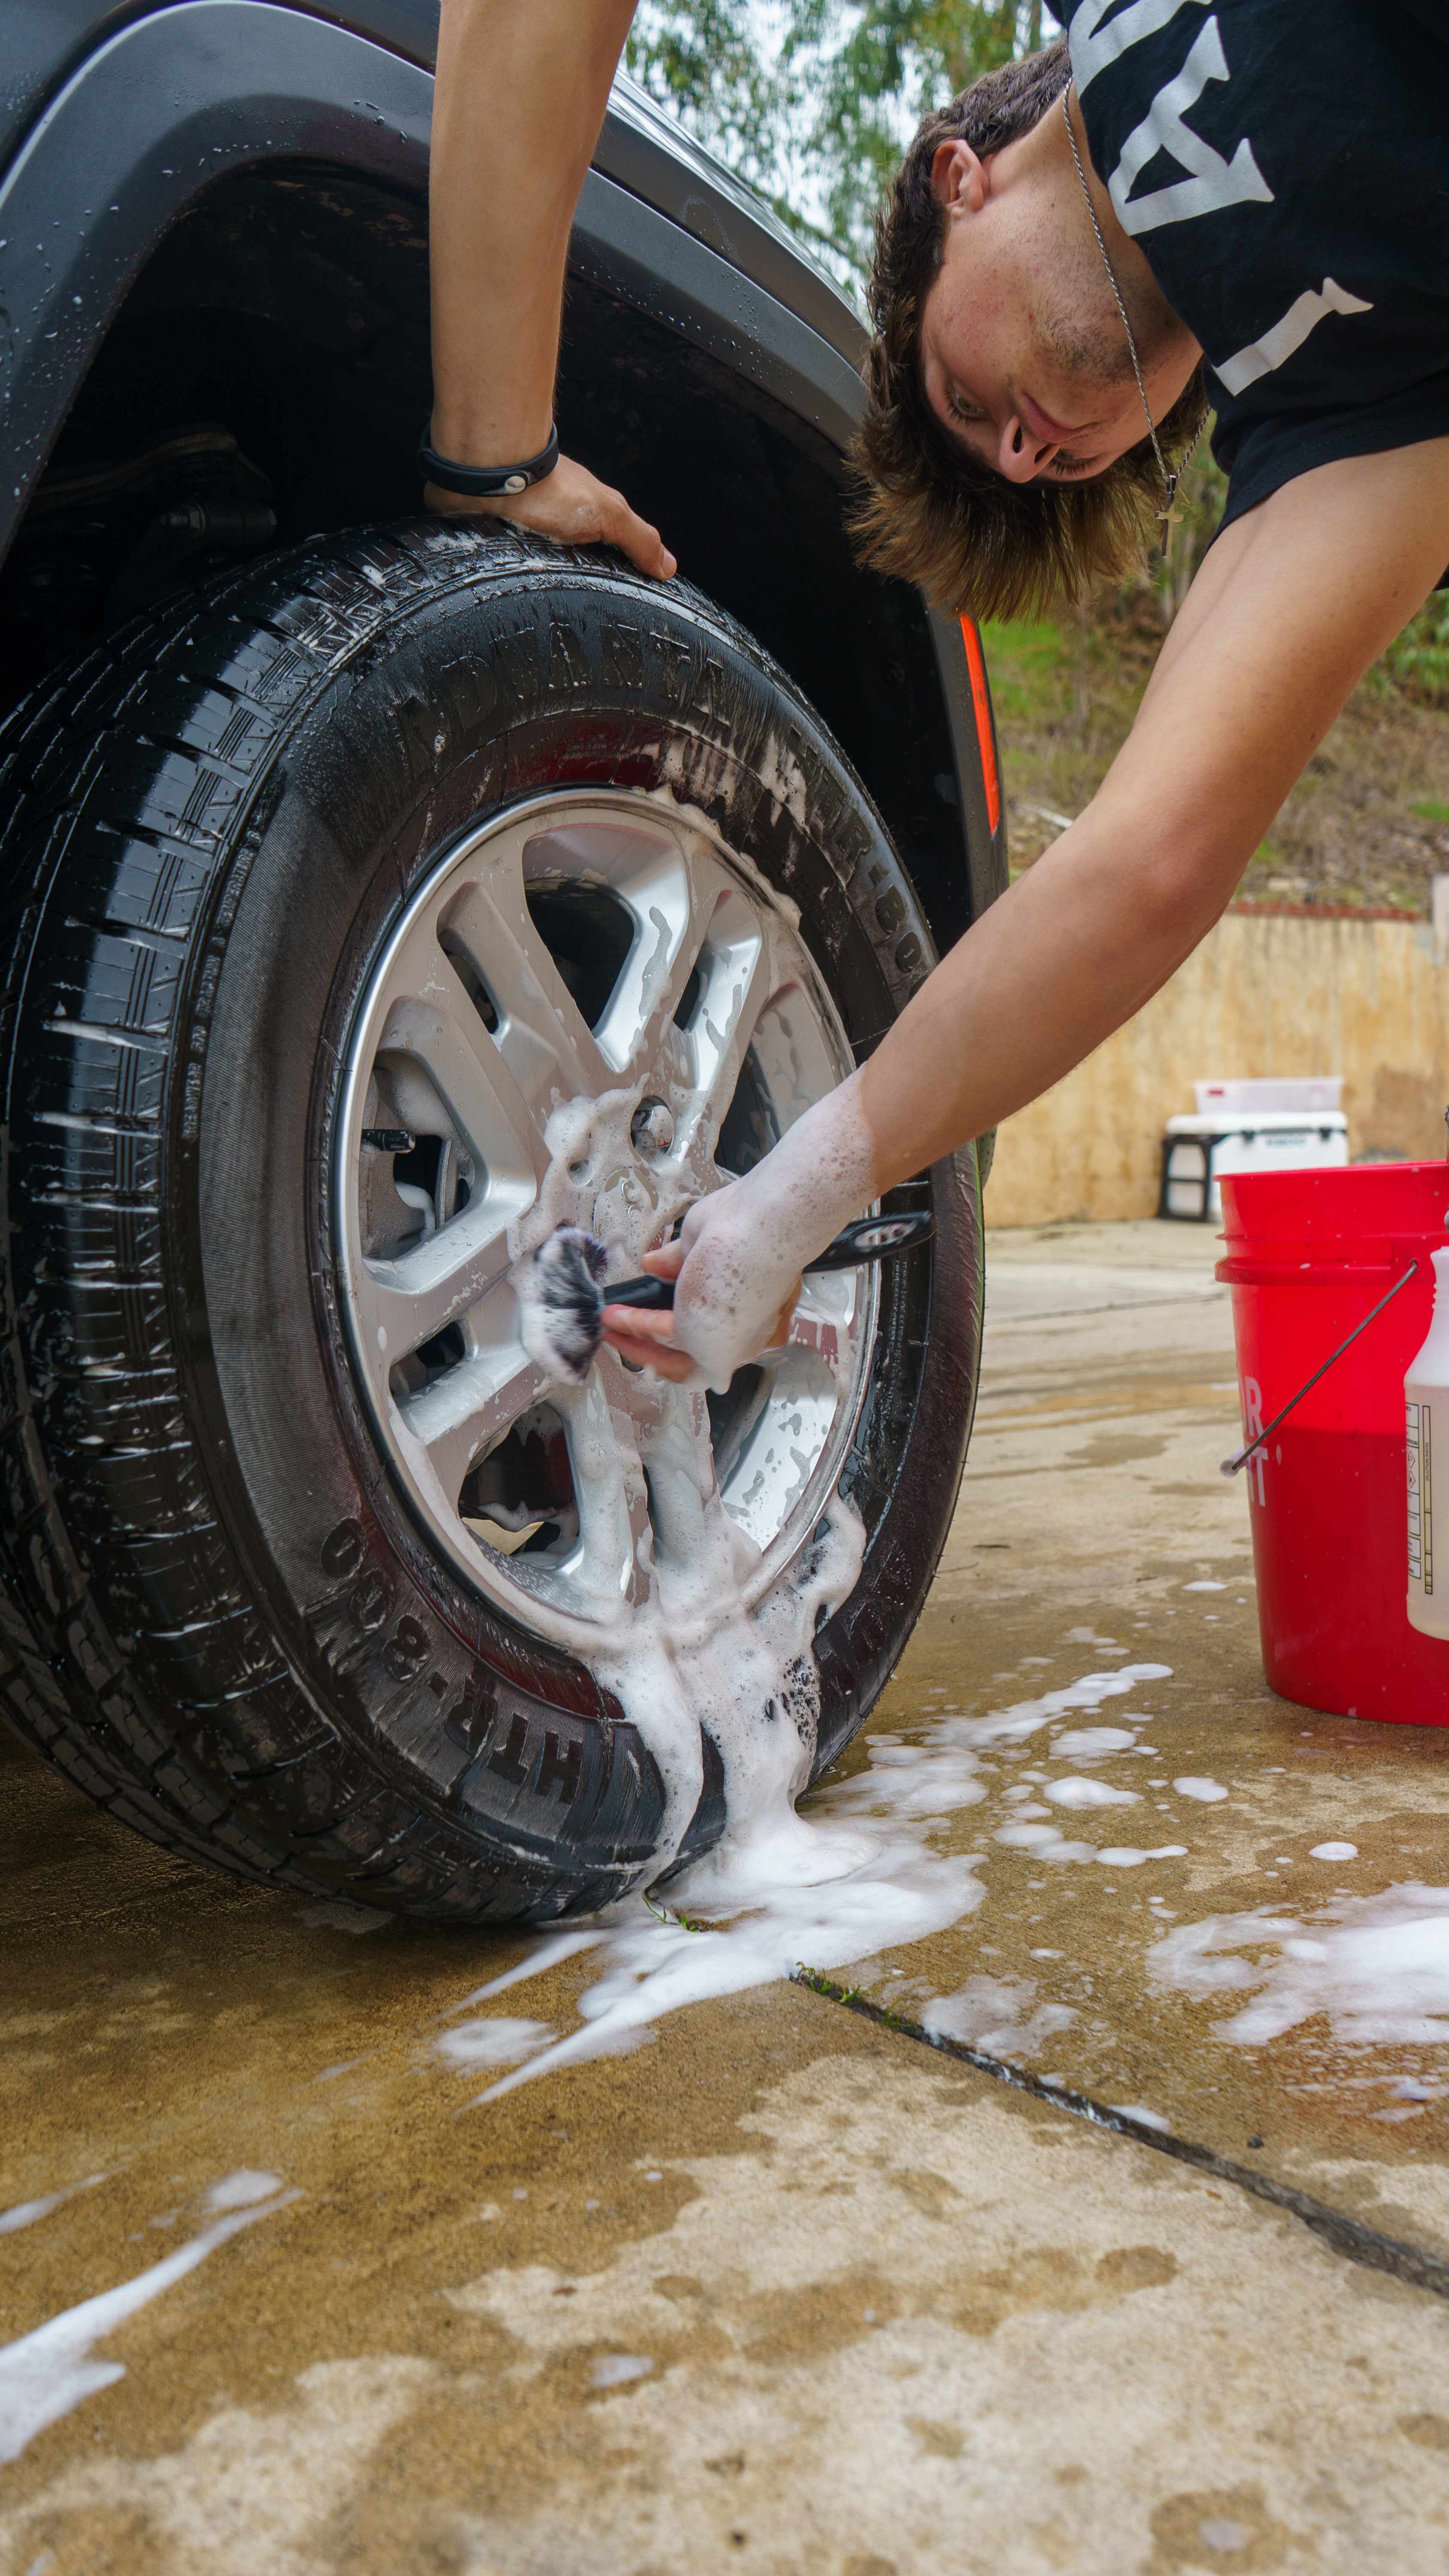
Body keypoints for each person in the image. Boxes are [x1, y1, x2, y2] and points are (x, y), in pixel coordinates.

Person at [424, 0, 1449, 1391]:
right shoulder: (1373, 412)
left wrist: (495, 461)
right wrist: (783, 1206)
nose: (1025, 453)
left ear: (956, 175)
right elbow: (1146, 864)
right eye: (1056, 468)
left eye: (966, 402)